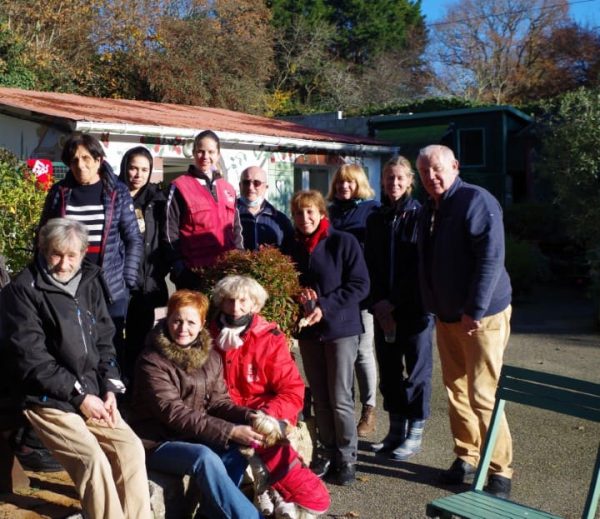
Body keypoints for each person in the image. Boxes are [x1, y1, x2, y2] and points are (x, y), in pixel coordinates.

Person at [2, 218, 151, 519]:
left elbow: (106, 339)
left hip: (91, 394)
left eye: (72, 255)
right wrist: (79, 396)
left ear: (84, 253)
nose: (64, 264)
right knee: (92, 460)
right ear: (43, 250)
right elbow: (32, 360)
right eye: (56, 254)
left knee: (131, 448)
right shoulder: (22, 291)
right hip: (45, 397)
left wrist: (110, 388)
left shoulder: (89, 281)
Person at [416, 144, 513, 499]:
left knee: (482, 393)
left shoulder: (477, 200)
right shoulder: (431, 207)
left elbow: (491, 258)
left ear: (455, 165)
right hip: (447, 315)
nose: (431, 177)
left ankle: (500, 471)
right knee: (456, 390)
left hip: (481, 316)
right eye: (424, 172)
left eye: (437, 169)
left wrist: (475, 307)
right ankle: (467, 456)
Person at [129, 289, 264, 519]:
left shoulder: (210, 356)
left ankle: (210, 515)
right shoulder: (151, 361)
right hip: (156, 441)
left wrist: (250, 417)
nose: (183, 328)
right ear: (167, 320)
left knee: (237, 451)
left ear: (202, 324)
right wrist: (230, 430)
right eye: (177, 320)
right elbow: (174, 412)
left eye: (191, 322)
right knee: (204, 457)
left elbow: (219, 402)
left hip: (193, 435)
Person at [210, 275, 329, 518]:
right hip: (223, 414)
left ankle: (279, 493)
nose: (236, 308)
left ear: (255, 304)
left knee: (270, 443)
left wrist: (268, 415)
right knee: (231, 452)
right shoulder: (206, 335)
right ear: (220, 302)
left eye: (243, 301)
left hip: (264, 413)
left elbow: (292, 388)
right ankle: (257, 495)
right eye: (230, 300)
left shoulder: (268, 338)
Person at [39, 132, 143, 372]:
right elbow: (44, 235)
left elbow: (133, 239)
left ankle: (114, 388)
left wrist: (126, 279)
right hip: (68, 279)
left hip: (109, 282)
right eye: (74, 160)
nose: (80, 165)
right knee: (73, 336)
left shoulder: (117, 192)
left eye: (86, 158)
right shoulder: (60, 192)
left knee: (111, 338)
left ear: (98, 160)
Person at [287, 190, 370, 486]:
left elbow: (360, 285)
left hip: (340, 330)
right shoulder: (292, 247)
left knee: (340, 398)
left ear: (322, 213)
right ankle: (327, 451)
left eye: (310, 212)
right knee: (320, 397)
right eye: (298, 213)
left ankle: (347, 457)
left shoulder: (342, 242)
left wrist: (324, 305)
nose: (304, 218)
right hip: (309, 332)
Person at [364, 157, 434, 461]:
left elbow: (419, 267)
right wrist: (379, 302)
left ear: (410, 181)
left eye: (400, 178)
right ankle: (395, 432)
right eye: (389, 178)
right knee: (390, 371)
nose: (394, 183)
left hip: (414, 309)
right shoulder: (376, 218)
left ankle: (414, 435)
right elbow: (371, 265)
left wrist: (394, 301)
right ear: (382, 181)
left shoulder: (421, 216)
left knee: (416, 372)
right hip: (382, 311)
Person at [327, 164, 380, 438]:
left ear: (358, 184)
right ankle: (344, 407)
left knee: (362, 351)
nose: (343, 187)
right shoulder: (330, 212)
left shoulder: (371, 211)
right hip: (336, 293)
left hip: (362, 292)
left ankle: (369, 408)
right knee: (342, 353)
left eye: (349, 183)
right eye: (339, 183)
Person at [164, 130, 243, 289]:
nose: (205, 156)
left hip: (226, 274)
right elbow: (169, 230)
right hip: (193, 274)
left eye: (211, 152)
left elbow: (236, 229)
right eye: (200, 151)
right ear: (193, 153)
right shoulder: (179, 186)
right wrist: (178, 265)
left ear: (218, 154)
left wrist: (240, 259)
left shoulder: (228, 189)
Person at [118, 146, 168, 382]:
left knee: (141, 338)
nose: (137, 174)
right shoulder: (113, 196)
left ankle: (136, 387)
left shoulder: (157, 201)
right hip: (116, 281)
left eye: (144, 169)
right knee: (113, 335)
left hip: (146, 281)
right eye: (133, 168)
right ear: (124, 167)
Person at [237, 166, 294, 251]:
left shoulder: (280, 220)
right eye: (246, 182)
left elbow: (290, 254)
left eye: (256, 183)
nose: (250, 187)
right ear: (240, 185)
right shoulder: (228, 215)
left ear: (266, 187)